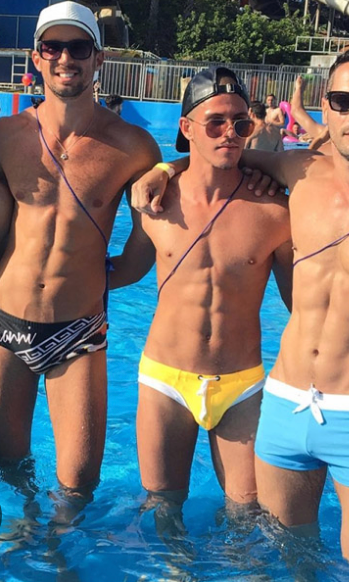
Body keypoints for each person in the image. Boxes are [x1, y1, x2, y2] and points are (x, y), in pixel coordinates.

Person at [132, 46, 349, 567]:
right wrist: (161, 168)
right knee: (285, 559)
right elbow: (218, 155)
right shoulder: (298, 172)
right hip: (284, 405)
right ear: (325, 108)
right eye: (343, 100)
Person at [0, 1, 162, 493]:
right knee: (6, 465)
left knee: (79, 481)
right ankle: (25, 525)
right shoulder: (6, 138)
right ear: (37, 57)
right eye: (53, 47)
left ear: (99, 58)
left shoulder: (134, 147)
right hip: (6, 323)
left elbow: (145, 244)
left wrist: (98, 277)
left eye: (78, 47)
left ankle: (59, 542)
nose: (65, 58)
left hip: (79, 330)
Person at [119, 66, 292, 517]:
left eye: (240, 123)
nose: (229, 133)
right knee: (162, 508)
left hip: (241, 383)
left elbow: (303, 304)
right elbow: (128, 269)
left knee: (248, 514)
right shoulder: (153, 203)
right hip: (165, 379)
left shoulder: (275, 210)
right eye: (215, 122)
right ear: (186, 127)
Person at [291, 76, 331, 153]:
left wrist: (299, 88)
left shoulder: (328, 135)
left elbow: (296, 110)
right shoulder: (329, 135)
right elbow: (296, 110)